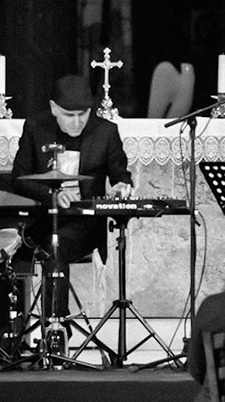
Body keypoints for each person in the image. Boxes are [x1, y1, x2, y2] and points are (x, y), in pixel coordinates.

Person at [9, 75, 134, 310]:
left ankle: (57, 330)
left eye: (83, 114)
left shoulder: (106, 132)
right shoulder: (36, 127)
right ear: (54, 108)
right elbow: (18, 179)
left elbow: (122, 176)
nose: (77, 122)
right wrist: (52, 196)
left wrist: (121, 187)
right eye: (69, 115)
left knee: (56, 246)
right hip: (41, 218)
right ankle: (3, 333)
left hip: (84, 224)